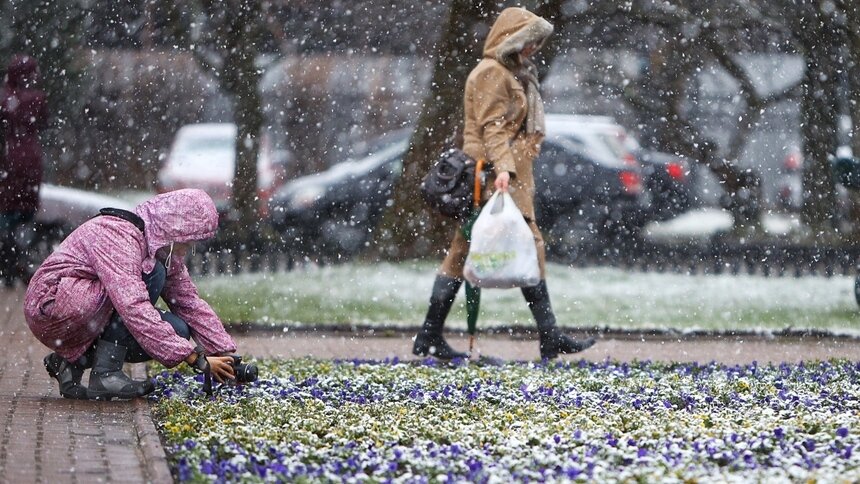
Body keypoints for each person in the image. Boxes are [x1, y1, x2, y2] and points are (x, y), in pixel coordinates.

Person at [412, 7, 596, 360]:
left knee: (466, 252)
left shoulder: (515, 74)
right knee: (516, 247)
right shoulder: (492, 73)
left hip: (506, 174)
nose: (533, 50)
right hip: (492, 176)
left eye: (537, 43)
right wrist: (504, 171)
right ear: (511, 40)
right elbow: (492, 128)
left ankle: (431, 334)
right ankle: (548, 335)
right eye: (529, 42)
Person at [24, 188, 239, 400]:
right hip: (50, 305)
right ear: (174, 229)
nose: (187, 249)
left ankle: (69, 363)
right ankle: (106, 374)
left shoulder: (159, 247)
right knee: (152, 274)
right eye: (187, 242)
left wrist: (224, 353)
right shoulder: (120, 236)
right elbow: (132, 305)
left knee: (178, 329)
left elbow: (188, 303)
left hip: (82, 307)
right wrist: (194, 358)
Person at [0, 54, 48, 287]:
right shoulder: (37, 99)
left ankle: (10, 262)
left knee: (7, 213)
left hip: (9, 159)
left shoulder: (5, 98)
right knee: (25, 213)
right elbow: (44, 123)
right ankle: (20, 258)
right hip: (32, 160)